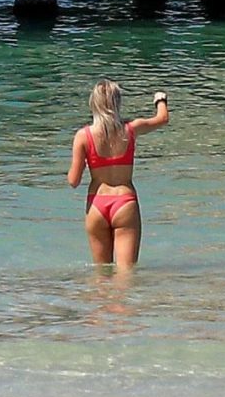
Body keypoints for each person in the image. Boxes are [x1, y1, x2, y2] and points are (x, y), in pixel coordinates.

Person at [67, 79, 170, 266]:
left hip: (97, 205)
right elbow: (162, 118)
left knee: (101, 275)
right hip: (125, 203)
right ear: (118, 103)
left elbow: (73, 181)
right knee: (126, 276)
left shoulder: (83, 136)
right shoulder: (130, 129)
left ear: (94, 104)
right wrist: (160, 99)